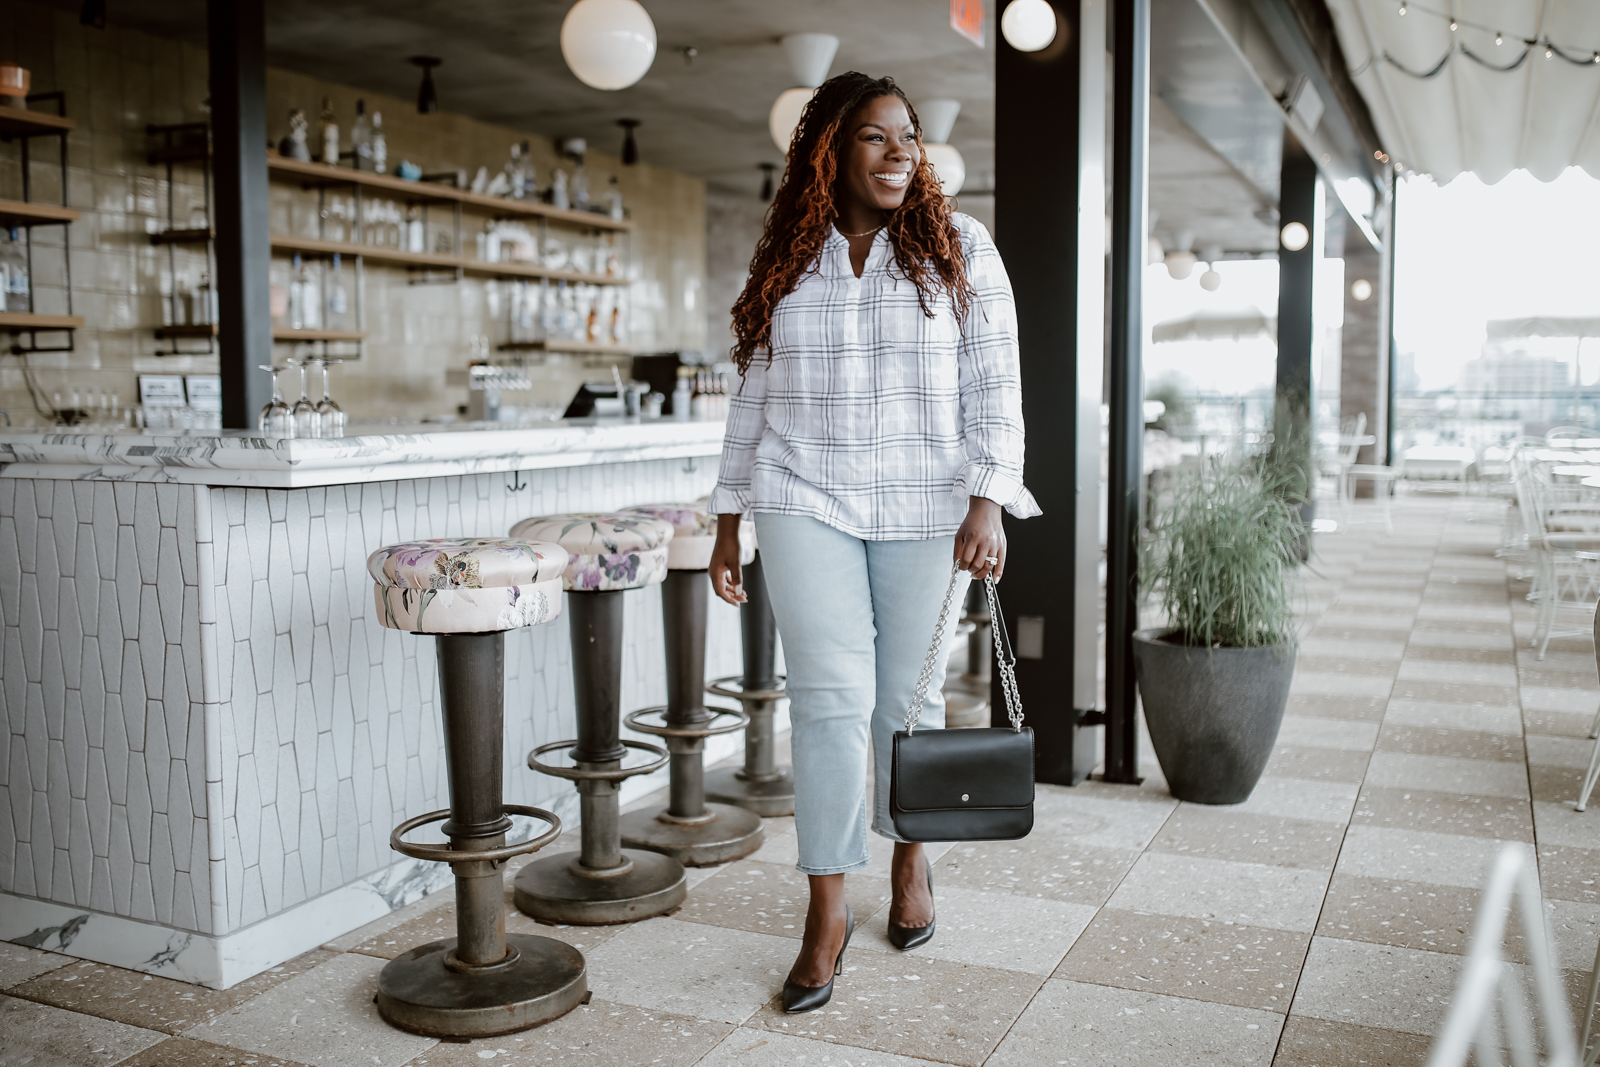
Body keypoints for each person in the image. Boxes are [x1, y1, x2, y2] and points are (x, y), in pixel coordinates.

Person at [706, 71, 1038, 1014]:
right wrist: (730, 515)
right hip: (803, 496)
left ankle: (911, 861)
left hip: (930, 507)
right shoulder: (789, 258)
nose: (901, 153)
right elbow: (753, 402)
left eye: (911, 137)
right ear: (830, 149)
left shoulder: (960, 248)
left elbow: (996, 387)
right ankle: (825, 910)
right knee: (828, 702)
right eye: (876, 138)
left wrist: (989, 499)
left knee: (907, 698)